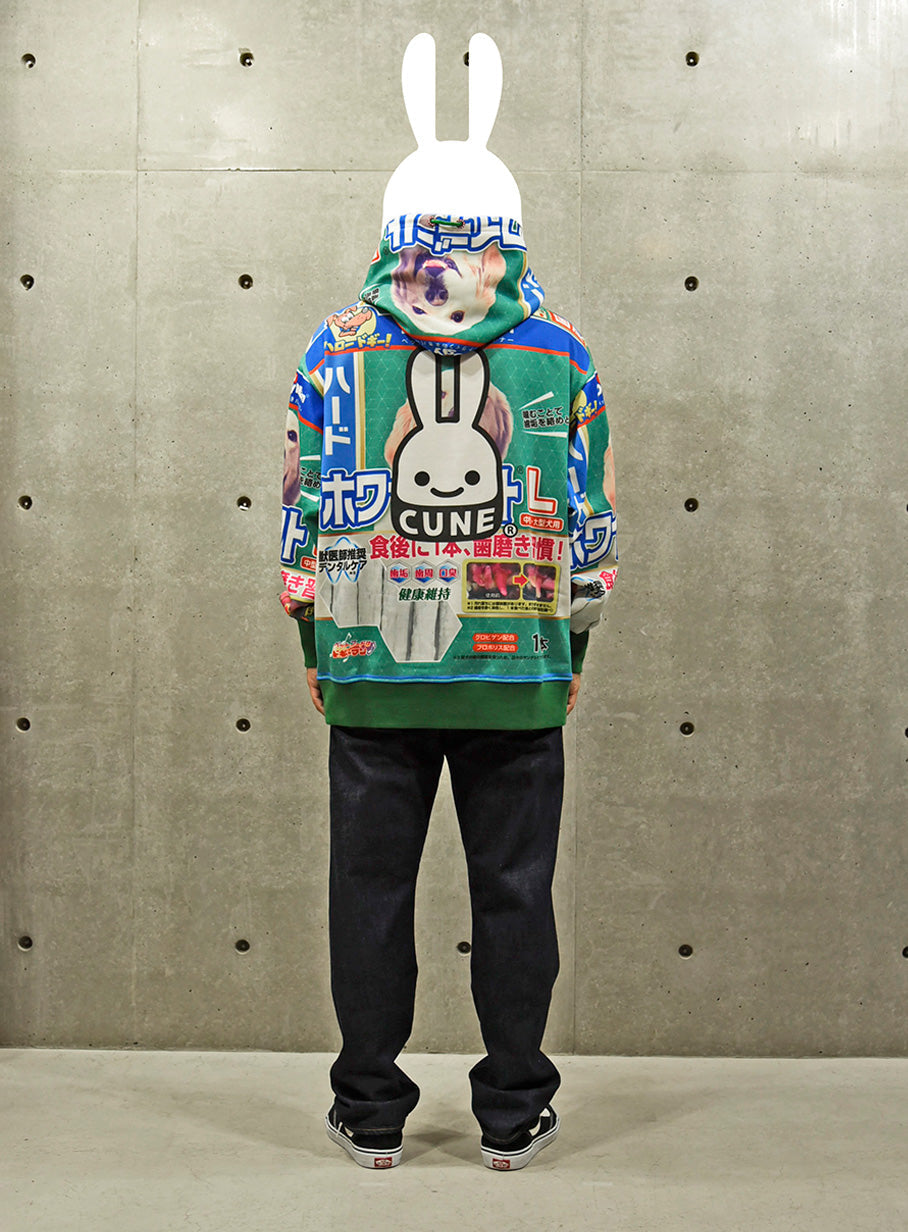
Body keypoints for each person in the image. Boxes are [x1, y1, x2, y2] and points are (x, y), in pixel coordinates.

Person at [279, 37, 616, 1174]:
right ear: (512, 229)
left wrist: (317, 650)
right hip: (519, 672)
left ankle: (371, 1110)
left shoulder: (335, 349)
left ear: (393, 225)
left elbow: (302, 517)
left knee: (369, 892)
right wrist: (568, 656)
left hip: (368, 672)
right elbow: (591, 528)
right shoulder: (561, 356)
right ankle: (511, 1112)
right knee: (515, 893)